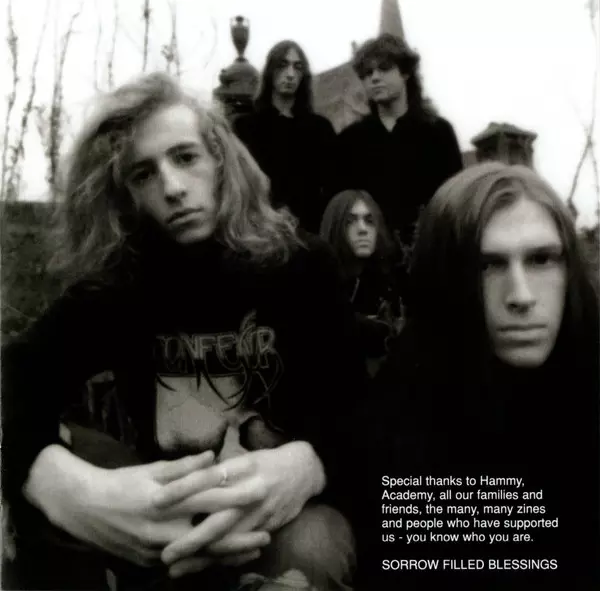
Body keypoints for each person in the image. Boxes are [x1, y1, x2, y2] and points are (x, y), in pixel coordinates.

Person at [1, 72, 364, 591]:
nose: (172, 187)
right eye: (143, 174)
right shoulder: (122, 283)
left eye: (185, 157)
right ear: (125, 196)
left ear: (221, 160)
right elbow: (17, 375)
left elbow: (362, 410)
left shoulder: (301, 264)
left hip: (281, 518)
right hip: (164, 523)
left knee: (310, 547)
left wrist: (312, 463)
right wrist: (64, 488)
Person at [347, 163, 600, 589]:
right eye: (488, 265)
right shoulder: (404, 410)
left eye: (540, 259)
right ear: (447, 279)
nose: (521, 296)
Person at [334, 33, 463, 249]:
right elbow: (342, 209)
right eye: (367, 73)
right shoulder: (350, 141)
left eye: (384, 68)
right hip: (372, 254)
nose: (374, 78)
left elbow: (456, 203)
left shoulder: (438, 132)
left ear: (405, 73)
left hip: (429, 250)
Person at [233, 40, 336, 233]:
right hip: (260, 230)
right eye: (283, 65)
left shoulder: (320, 128)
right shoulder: (246, 127)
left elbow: (331, 187)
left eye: (297, 67)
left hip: (310, 231)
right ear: (270, 71)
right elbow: (239, 186)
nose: (290, 74)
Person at [319, 189, 403, 374]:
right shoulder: (321, 286)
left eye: (369, 221)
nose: (363, 229)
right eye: (350, 221)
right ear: (336, 226)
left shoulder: (384, 283)